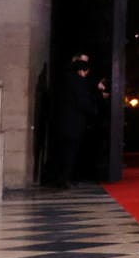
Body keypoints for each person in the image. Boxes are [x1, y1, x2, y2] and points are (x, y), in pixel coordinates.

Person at [43, 52, 104, 188]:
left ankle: (55, 178)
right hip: (73, 123)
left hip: (59, 121)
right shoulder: (77, 81)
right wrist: (94, 108)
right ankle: (62, 179)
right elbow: (83, 101)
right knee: (69, 152)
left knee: (60, 150)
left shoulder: (64, 78)